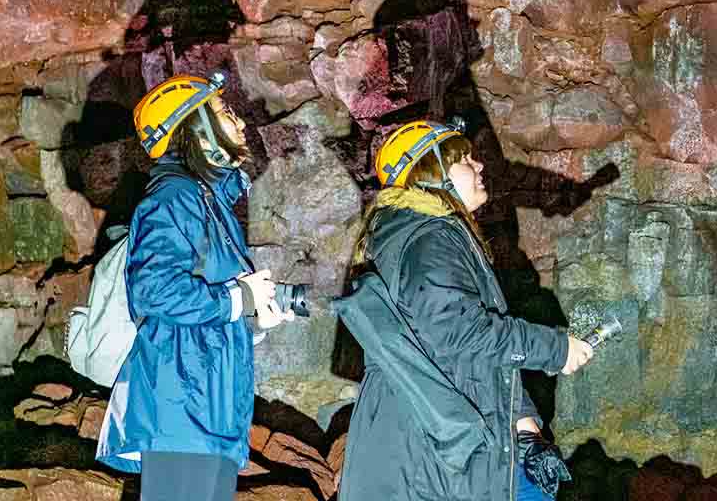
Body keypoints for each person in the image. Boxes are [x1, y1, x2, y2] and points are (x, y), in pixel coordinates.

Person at [337, 119, 594, 501]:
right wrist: (554, 349)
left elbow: (472, 354)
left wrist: (526, 429)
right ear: (432, 173)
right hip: (432, 453)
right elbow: (460, 332)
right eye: (465, 161)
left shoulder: (427, 233)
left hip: (457, 438)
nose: (480, 167)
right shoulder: (428, 237)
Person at [95, 71, 289, 500]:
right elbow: (154, 289)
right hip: (182, 407)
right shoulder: (174, 198)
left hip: (210, 408)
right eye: (225, 112)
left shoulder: (209, 202)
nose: (240, 123)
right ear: (193, 132)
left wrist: (252, 318)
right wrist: (238, 298)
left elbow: (205, 305)